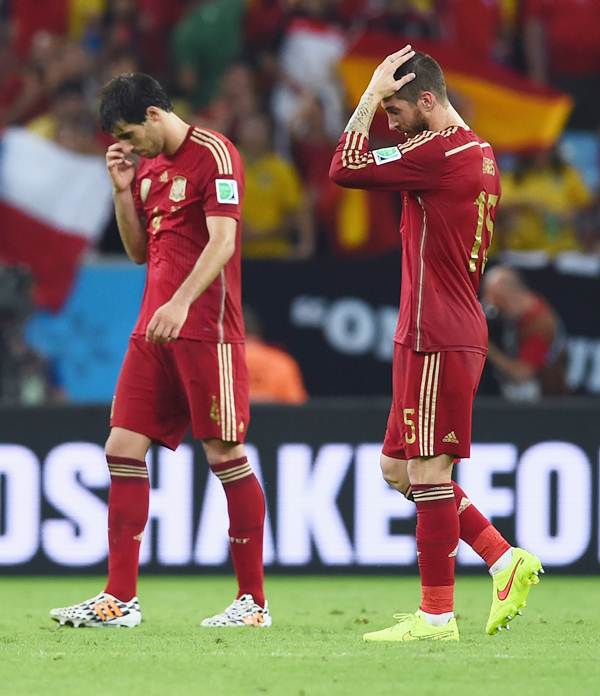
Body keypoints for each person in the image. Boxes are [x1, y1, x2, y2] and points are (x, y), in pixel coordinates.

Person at [329, 45, 542, 642]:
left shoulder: (437, 152)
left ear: (428, 100)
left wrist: (369, 92)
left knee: (427, 469)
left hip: (437, 330)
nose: (389, 122)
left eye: (395, 111)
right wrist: (381, 100)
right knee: (398, 467)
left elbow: (345, 167)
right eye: (384, 111)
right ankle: (503, 560)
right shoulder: (476, 151)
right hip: (435, 325)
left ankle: (436, 616)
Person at [49, 73, 270, 629]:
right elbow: (137, 253)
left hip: (206, 329)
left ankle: (253, 603)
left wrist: (180, 304)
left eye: (129, 133)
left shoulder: (215, 153)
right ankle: (119, 599)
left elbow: (223, 242)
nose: (127, 145)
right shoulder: (145, 169)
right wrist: (123, 190)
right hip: (153, 329)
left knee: (223, 455)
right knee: (121, 447)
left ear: (154, 114)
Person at [483, 265, 568, 400]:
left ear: (512, 295)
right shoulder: (517, 311)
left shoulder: (540, 325)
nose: (492, 306)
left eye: (497, 299)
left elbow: (521, 374)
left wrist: (485, 346)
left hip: (541, 401)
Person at [244, 306, 308, 404]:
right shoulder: (282, 362)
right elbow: (297, 407)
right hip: (275, 419)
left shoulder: (219, 361)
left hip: (232, 418)